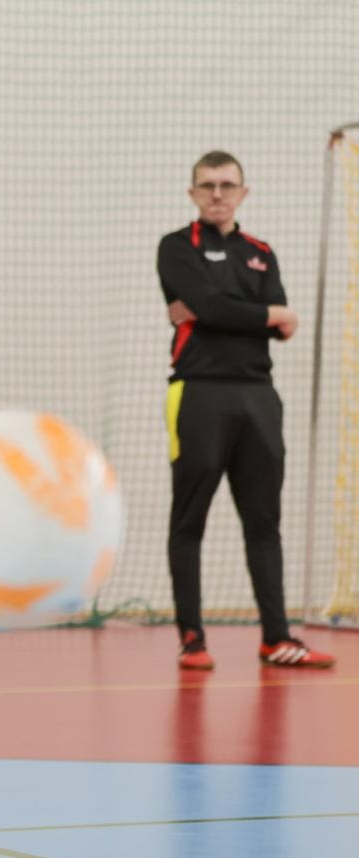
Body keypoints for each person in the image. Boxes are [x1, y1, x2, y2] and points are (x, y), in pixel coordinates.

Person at [158, 151, 334, 670]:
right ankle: (193, 639)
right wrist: (266, 312)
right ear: (192, 193)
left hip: (259, 396)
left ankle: (277, 639)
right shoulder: (175, 246)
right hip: (197, 393)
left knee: (264, 522)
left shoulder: (261, 251)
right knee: (189, 519)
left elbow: (277, 326)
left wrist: (236, 312)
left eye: (227, 184)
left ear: (243, 192)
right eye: (207, 185)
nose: (218, 193)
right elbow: (247, 313)